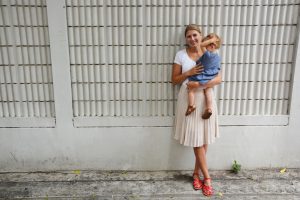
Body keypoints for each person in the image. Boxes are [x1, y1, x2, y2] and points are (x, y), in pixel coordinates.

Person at [172, 24, 221, 197]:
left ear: (201, 36)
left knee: (204, 139)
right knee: (197, 141)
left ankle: (196, 174)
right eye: (189, 36)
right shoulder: (180, 55)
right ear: (185, 39)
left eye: (195, 35)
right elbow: (174, 80)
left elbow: (218, 79)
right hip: (189, 101)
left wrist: (199, 83)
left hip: (206, 99)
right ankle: (207, 178)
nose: (192, 39)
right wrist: (189, 73)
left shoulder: (209, 52)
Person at [185, 33, 222, 119]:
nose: (211, 44)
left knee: (191, 89)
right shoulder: (217, 57)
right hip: (211, 76)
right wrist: (214, 41)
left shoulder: (207, 54)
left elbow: (200, 45)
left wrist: (210, 41)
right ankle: (209, 108)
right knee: (208, 91)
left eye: (213, 43)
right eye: (210, 43)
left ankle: (191, 105)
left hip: (203, 75)